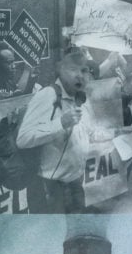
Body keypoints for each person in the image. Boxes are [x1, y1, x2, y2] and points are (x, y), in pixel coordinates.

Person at [16, 50, 91, 213]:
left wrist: (111, 134)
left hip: (75, 183)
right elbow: (23, 139)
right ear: (60, 70)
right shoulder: (47, 95)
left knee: (75, 234)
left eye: (84, 70)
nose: (79, 75)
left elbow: (83, 135)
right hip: (49, 188)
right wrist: (60, 123)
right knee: (52, 237)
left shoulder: (79, 97)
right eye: (73, 69)